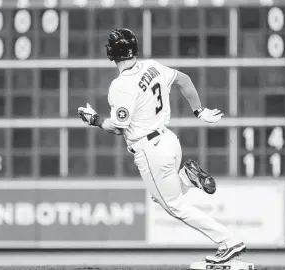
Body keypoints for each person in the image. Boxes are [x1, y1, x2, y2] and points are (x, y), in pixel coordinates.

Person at [78, 28, 246, 264]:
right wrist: (199, 110)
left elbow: (118, 128)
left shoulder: (120, 86)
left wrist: (93, 119)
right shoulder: (152, 66)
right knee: (163, 198)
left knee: (174, 206)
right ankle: (187, 177)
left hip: (150, 150)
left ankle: (228, 241)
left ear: (112, 53)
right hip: (169, 140)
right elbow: (184, 80)